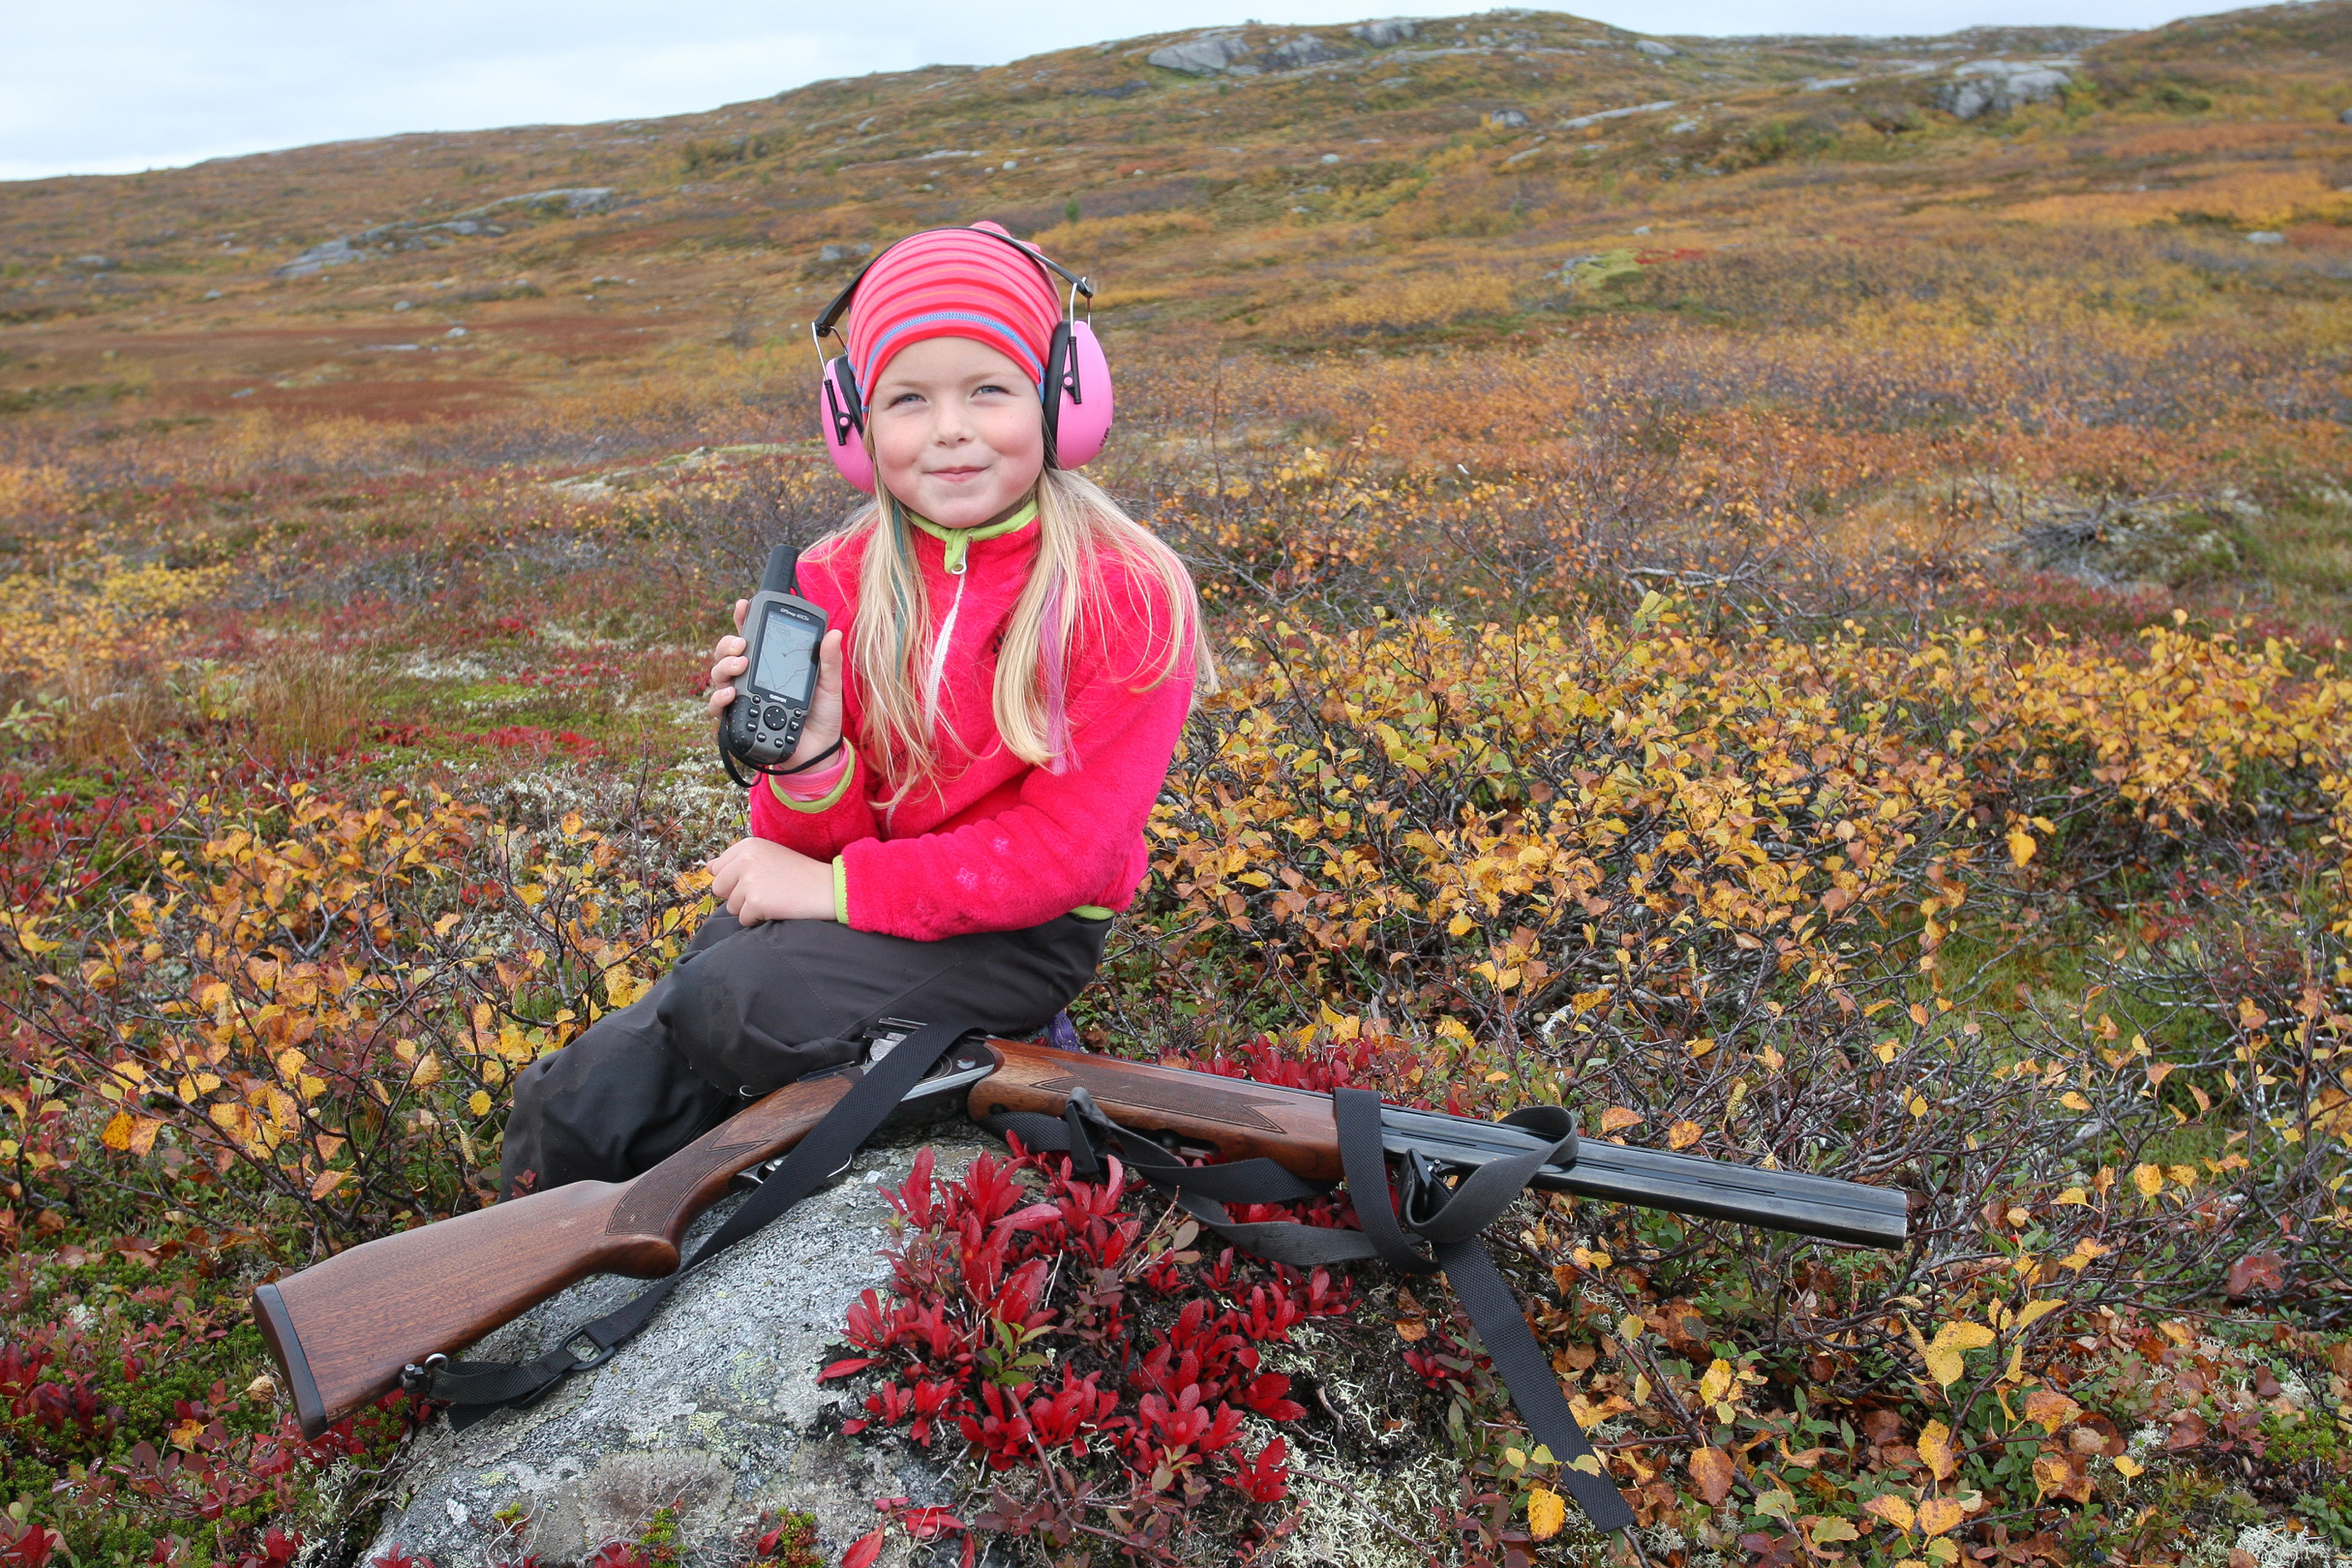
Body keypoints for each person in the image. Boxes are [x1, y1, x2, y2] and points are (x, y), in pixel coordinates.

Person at [498, 223, 1210, 1196]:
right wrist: (810, 762)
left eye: (989, 390)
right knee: (570, 1100)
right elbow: (808, 842)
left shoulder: (1125, 590)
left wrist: (833, 894)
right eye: (908, 399)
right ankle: (548, 1261)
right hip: (865, 906)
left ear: (1062, 400)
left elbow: (1067, 857)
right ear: (856, 424)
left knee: (740, 999)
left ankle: (977, 1069)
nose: (949, 428)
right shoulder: (831, 580)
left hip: (1024, 935)